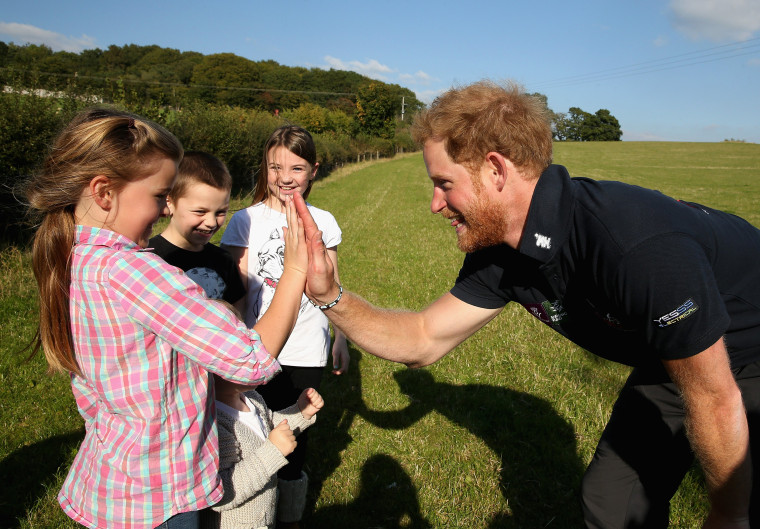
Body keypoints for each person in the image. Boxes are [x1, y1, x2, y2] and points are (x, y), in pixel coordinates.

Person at [294, 81, 760, 528]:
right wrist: (328, 296)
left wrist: (729, 514)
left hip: (747, 346)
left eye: (444, 183)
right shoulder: (501, 250)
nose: (435, 204)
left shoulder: (633, 245)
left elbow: (714, 397)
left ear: (496, 170)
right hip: (673, 354)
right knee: (612, 504)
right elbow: (422, 338)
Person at [24, 108, 312, 529]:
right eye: (160, 195)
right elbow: (251, 359)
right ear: (104, 193)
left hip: (113, 479)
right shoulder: (136, 273)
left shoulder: (75, 258)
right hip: (160, 495)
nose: (163, 210)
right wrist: (297, 269)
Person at [221, 125, 348, 528]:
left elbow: (333, 282)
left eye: (296, 167)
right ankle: (253, 512)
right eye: (275, 167)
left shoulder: (324, 221)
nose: (284, 177)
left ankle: (289, 516)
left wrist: (341, 335)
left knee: (295, 440)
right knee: (254, 436)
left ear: (313, 170)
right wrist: (236, 348)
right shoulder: (245, 221)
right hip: (257, 349)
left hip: (307, 349)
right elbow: (235, 292)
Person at [200, 301, 324, 529]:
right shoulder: (215, 423)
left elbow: (269, 428)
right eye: (240, 355)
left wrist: (300, 413)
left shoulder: (252, 398)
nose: (253, 357)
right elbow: (221, 492)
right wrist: (272, 452)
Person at [148, 151, 245, 312]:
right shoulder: (151, 258)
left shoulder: (223, 260)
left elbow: (237, 309)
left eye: (220, 212)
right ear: (170, 202)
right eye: (200, 212)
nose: (211, 222)